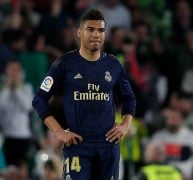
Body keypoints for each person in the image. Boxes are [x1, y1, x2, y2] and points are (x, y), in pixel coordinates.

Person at [32, 9, 136, 180]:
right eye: (91, 29)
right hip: (78, 146)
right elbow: (39, 99)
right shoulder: (64, 64)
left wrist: (125, 125)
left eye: (101, 30)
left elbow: (129, 98)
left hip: (108, 147)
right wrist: (59, 132)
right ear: (79, 33)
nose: (96, 34)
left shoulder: (114, 65)